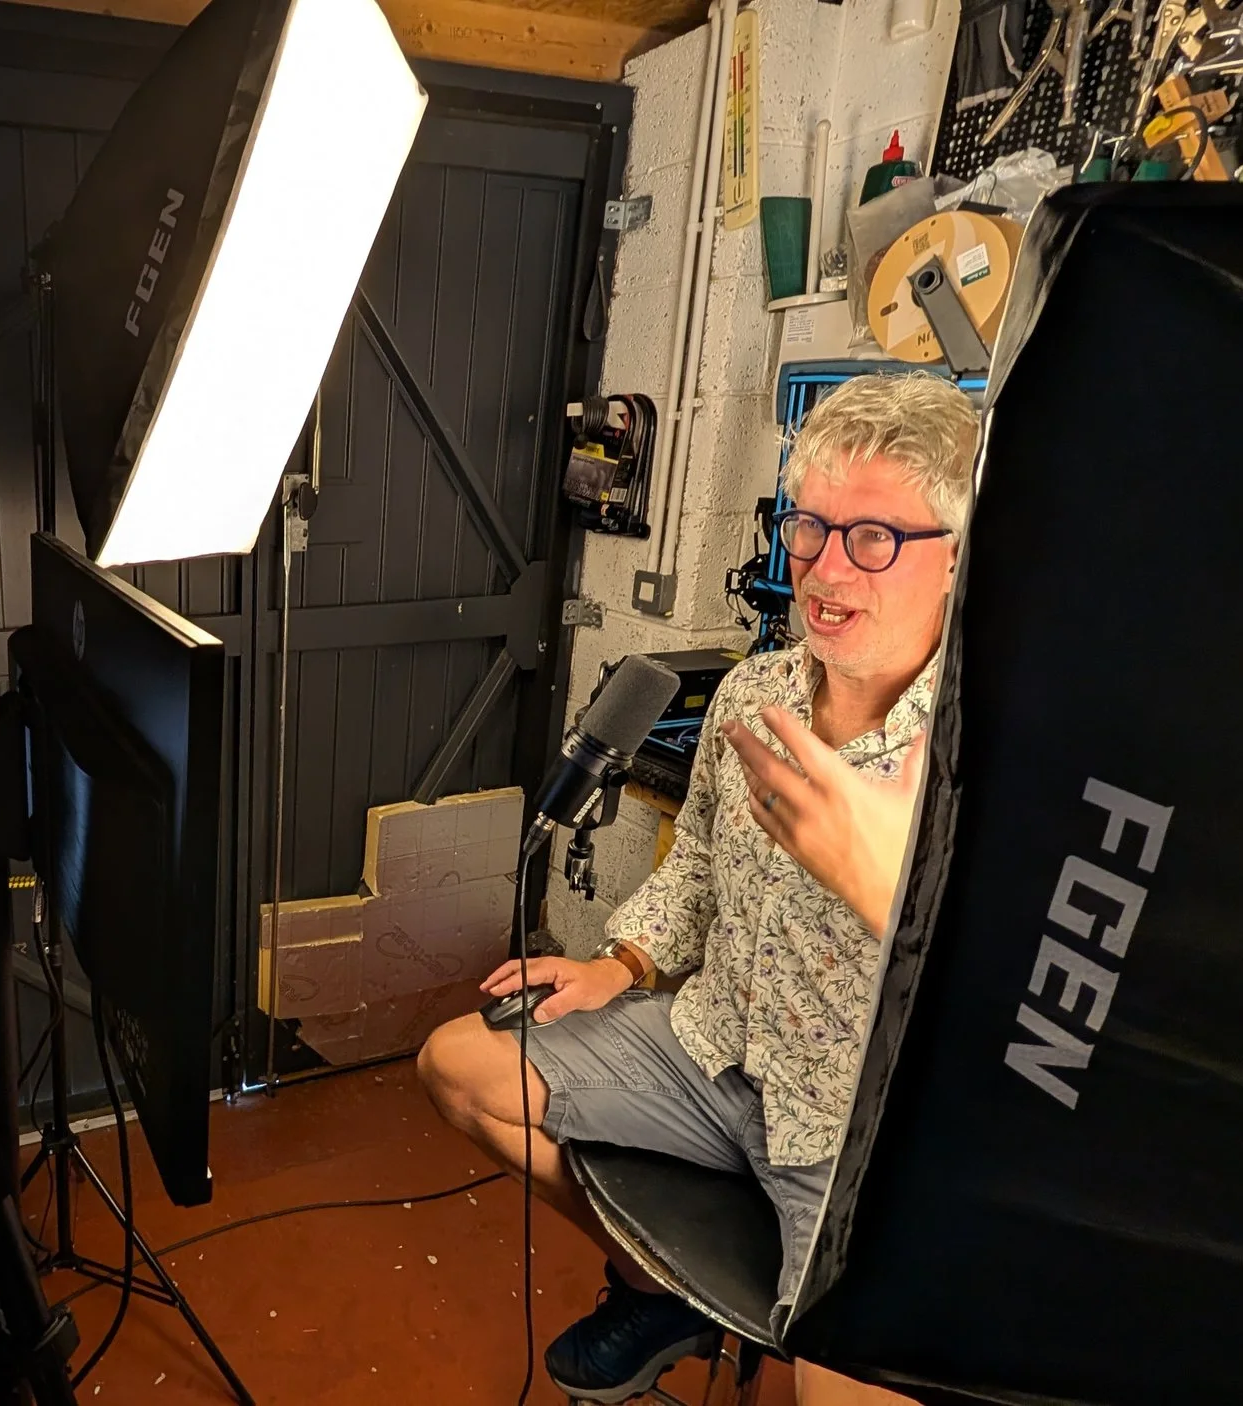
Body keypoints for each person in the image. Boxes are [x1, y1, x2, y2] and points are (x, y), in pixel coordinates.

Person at [416, 373, 979, 1404]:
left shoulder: (989, 747)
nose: (821, 566)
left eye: (872, 537)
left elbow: (1018, 1009)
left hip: (858, 1131)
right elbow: (702, 866)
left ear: (957, 553)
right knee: (458, 1064)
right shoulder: (755, 689)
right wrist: (619, 961)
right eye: (807, 523)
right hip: (716, 1050)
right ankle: (660, 1284)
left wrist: (879, 883)